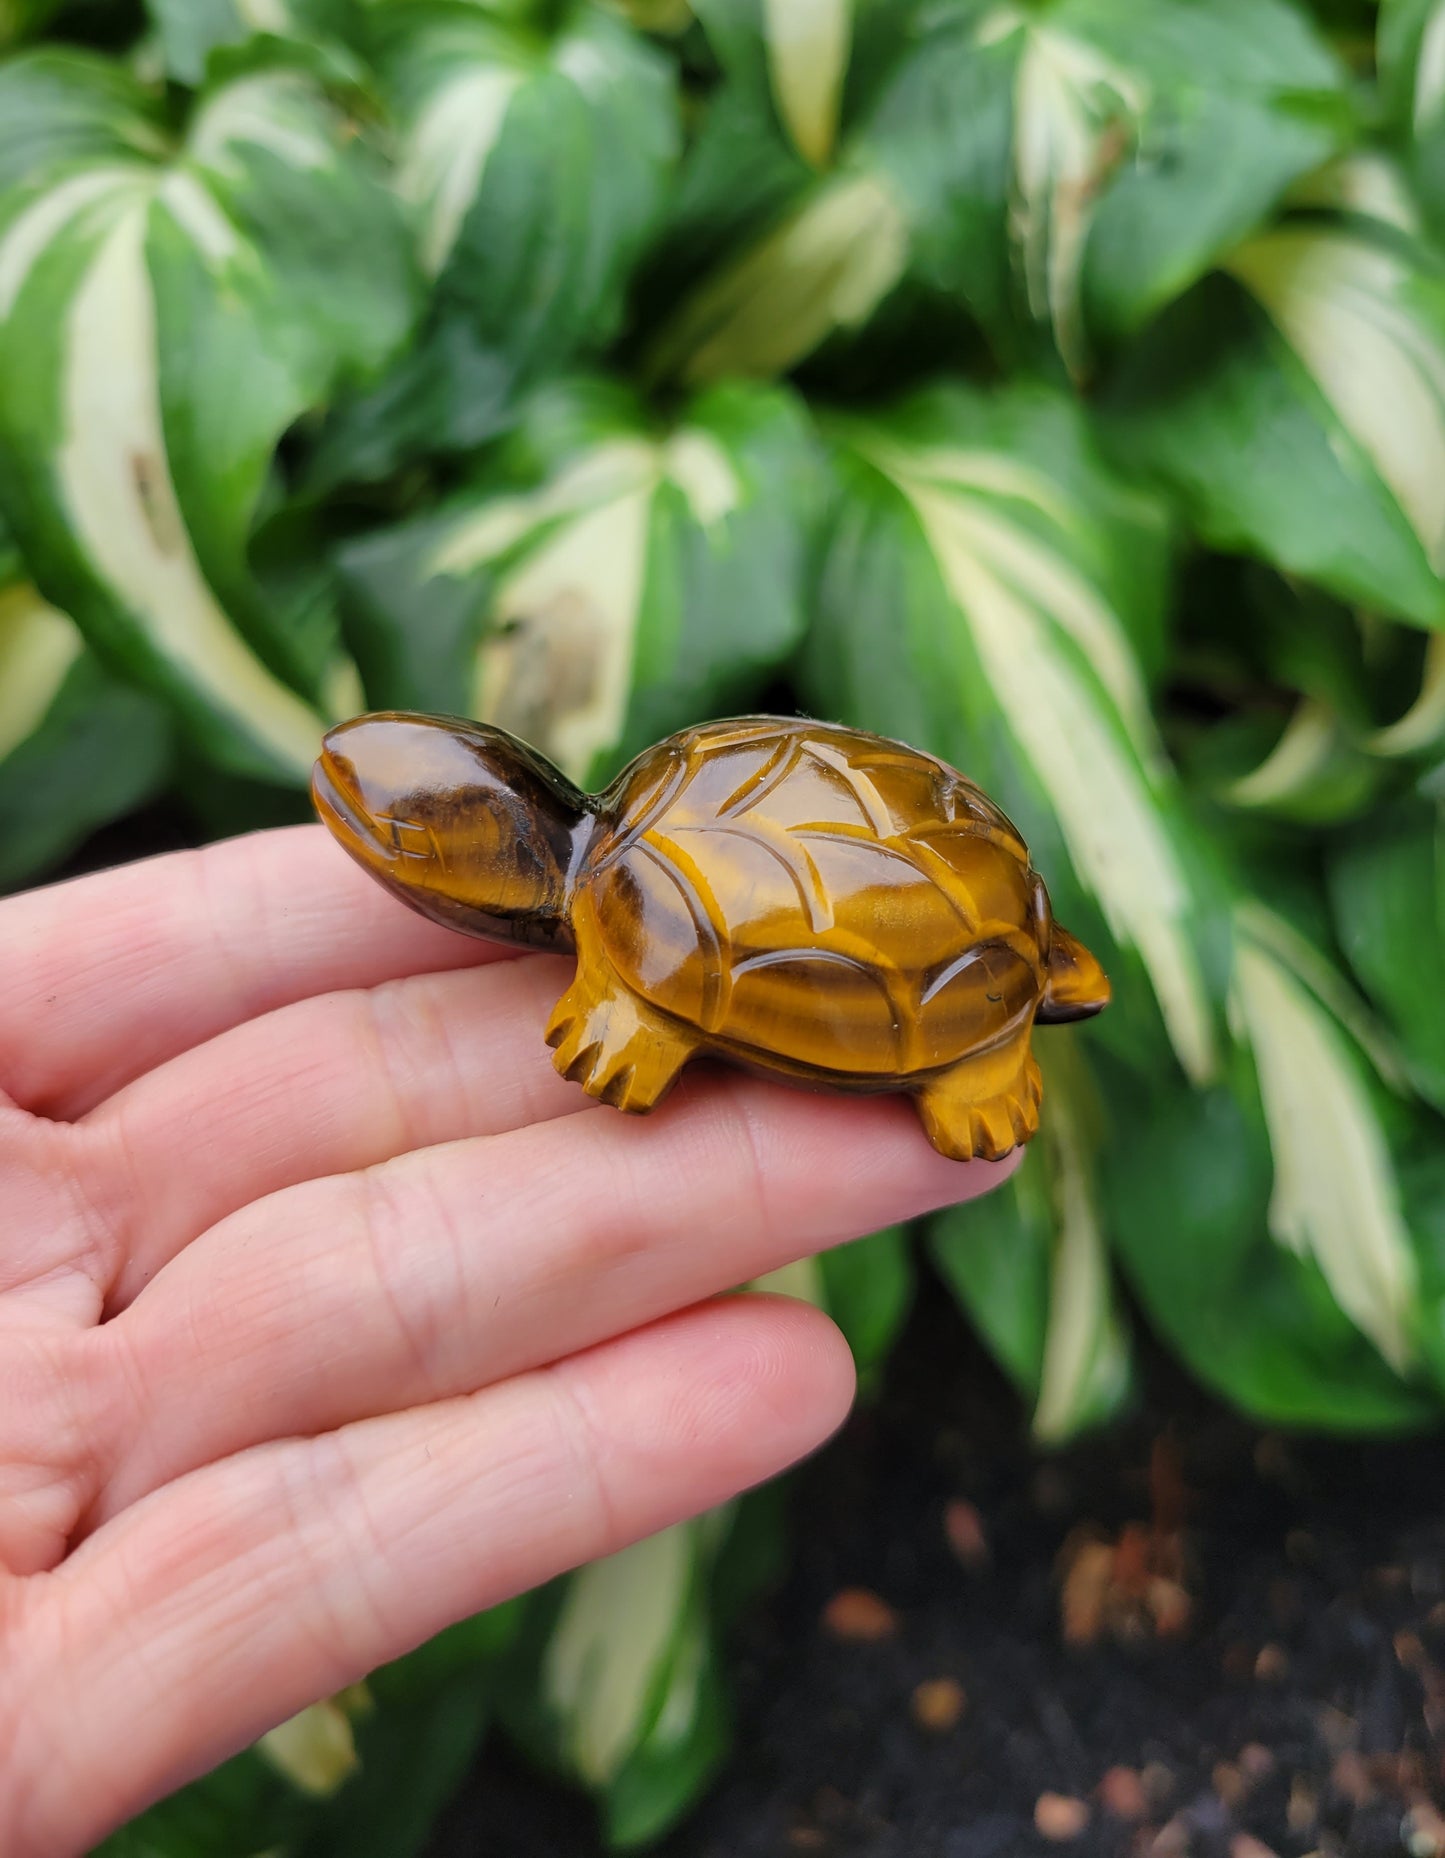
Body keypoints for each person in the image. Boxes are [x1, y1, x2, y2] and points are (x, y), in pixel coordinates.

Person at [0, 823, 1015, 1856]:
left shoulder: (633, 893)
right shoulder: (629, 867)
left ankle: (982, 1042)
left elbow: (693, 954)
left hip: (933, 943)